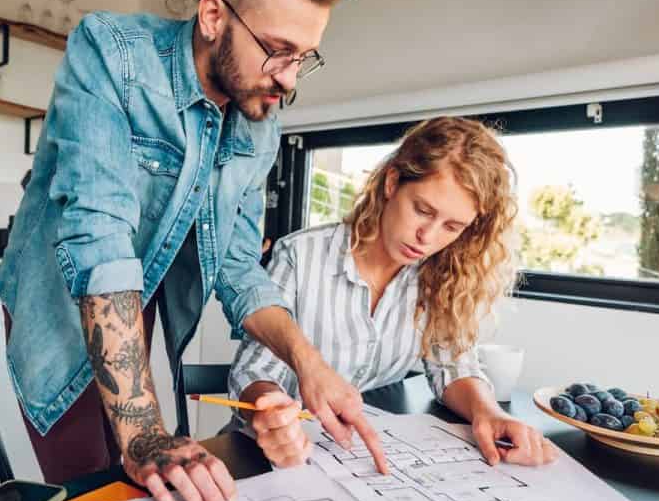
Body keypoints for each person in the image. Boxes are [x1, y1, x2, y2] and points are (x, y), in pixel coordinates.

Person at [0, 0, 388, 501]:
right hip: (62, 301)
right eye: (278, 51)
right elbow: (99, 241)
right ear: (213, 15)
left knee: (145, 497)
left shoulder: (259, 118)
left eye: (305, 57)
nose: (288, 81)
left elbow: (236, 267)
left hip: (138, 301)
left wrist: (309, 366)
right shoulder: (112, 54)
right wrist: (147, 432)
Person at [229, 116, 559, 469]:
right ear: (392, 183)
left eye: (452, 226)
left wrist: (487, 412)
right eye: (422, 210)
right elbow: (254, 370)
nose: (428, 237)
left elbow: (453, 367)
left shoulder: (440, 276)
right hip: (268, 454)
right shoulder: (300, 255)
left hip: (353, 458)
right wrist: (271, 410)